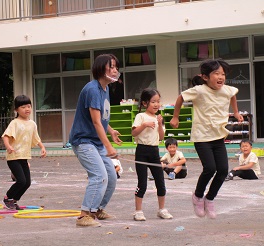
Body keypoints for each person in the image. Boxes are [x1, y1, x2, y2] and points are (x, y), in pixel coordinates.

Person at [170, 59, 243, 219]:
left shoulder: (226, 90)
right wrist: (176, 117)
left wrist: (236, 112)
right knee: (210, 168)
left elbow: (233, 95)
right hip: (202, 137)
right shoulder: (199, 90)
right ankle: (197, 196)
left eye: (223, 74)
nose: (220, 77)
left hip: (218, 137)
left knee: (223, 170)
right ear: (205, 77)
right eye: (216, 73)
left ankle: (209, 199)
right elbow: (181, 98)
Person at [69, 54, 122, 227]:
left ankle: (97, 209)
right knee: (99, 176)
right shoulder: (92, 89)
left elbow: (101, 118)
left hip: (96, 142)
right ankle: (84, 215)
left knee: (112, 177)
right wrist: (109, 146)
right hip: (83, 141)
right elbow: (95, 121)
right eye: (111, 66)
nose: (115, 70)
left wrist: (111, 130)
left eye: (116, 67)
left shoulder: (105, 89)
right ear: (101, 68)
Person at [132, 88, 173, 222]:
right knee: (142, 182)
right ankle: (138, 211)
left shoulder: (159, 118)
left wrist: (160, 124)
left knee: (160, 182)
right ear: (145, 103)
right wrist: (144, 125)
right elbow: (134, 133)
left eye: (158, 102)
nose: (156, 104)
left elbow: (161, 137)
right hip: (142, 151)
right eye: (153, 102)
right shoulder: (141, 117)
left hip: (154, 151)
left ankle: (162, 209)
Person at [2, 95, 46, 210]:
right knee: (21, 181)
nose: (27, 109)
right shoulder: (14, 123)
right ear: (16, 110)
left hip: (24, 157)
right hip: (13, 157)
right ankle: (8, 198)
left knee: (27, 183)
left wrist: (42, 147)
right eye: (23, 107)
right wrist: (8, 147)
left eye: (29, 106)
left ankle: (14, 201)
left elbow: (36, 138)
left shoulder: (32, 124)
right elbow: (5, 137)